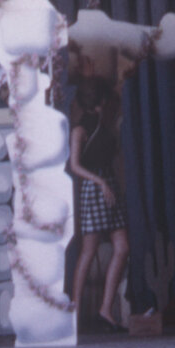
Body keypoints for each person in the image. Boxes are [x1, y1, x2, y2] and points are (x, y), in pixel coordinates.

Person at [67, 76, 130, 332]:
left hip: (109, 184)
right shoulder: (79, 130)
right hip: (94, 187)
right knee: (88, 250)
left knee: (122, 247)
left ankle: (105, 308)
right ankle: (74, 309)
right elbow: (75, 166)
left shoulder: (107, 126)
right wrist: (101, 182)